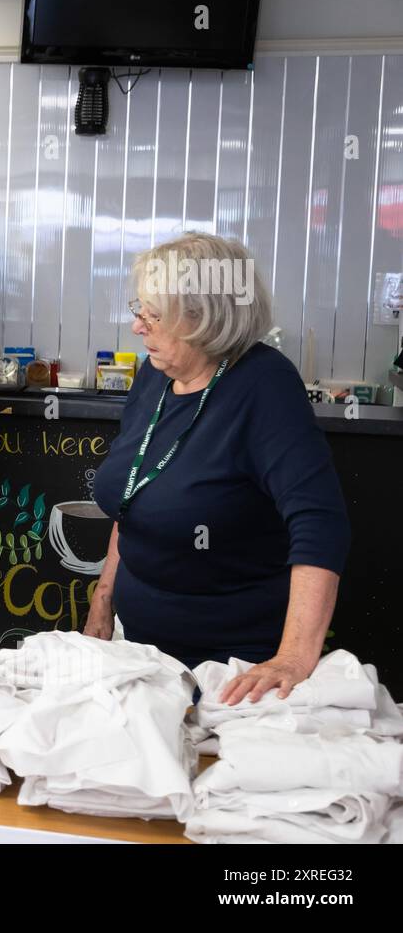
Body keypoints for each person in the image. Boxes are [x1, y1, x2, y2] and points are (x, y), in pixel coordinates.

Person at [85, 232, 350, 707]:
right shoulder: (155, 375)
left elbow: (320, 523)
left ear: (202, 318)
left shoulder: (264, 385)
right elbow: (135, 492)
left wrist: (292, 659)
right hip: (139, 650)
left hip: (231, 669)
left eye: (153, 314)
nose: (137, 327)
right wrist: (104, 597)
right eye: (138, 308)